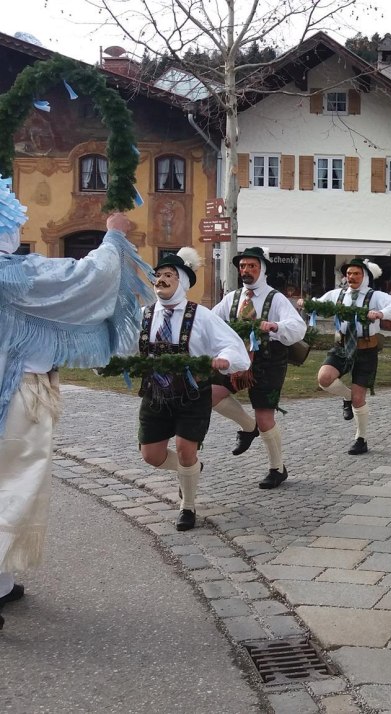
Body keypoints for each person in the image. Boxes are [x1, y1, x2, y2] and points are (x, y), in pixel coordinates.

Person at [0, 189, 152, 629]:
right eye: (13, 225)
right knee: (12, 487)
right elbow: (85, 281)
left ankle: (3, 583)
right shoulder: (12, 276)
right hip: (15, 398)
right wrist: (113, 238)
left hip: (18, 391)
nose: (19, 233)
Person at [139, 250, 250, 531]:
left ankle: (187, 506)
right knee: (151, 456)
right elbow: (125, 346)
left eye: (168, 275)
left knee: (185, 449)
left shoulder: (201, 316)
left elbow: (232, 345)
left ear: (183, 282)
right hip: (155, 393)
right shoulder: (145, 315)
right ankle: (191, 471)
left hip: (192, 395)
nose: (161, 280)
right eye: (158, 275)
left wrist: (225, 360)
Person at [211, 247, 306, 490]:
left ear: (262, 269)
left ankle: (277, 468)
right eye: (242, 266)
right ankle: (247, 426)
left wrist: (275, 326)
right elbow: (210, 322)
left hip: (268, 361)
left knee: (265, 418)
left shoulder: (276, 298)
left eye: (251, 266)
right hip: (235, 359)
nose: (246, 271)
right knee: (210, 392)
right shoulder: (232, 298)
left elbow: (297, 327)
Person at [313, 259, 391, 454]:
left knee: (359, 398)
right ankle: (346, 397)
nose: (351, 277)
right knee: (324, 378)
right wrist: (308, 304)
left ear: (365, 277)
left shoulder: (375, 296)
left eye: (356, 274)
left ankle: (361, 439)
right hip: (342, 346)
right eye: (349, 274)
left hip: (366, 349)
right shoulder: (337, 294)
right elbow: (319, 305)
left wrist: (381, 313)